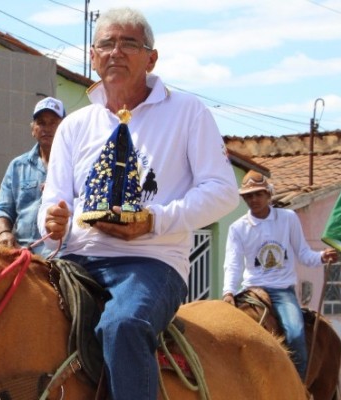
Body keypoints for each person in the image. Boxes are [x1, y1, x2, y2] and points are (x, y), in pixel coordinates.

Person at [38, 7, 239, 399]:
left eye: (128, 43)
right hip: (75, 259)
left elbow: (222, 191)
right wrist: (53, 222)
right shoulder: (74, 127)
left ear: (151, 57)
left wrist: (155, 220)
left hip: (152, 261)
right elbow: (54, 200)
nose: (116, 52)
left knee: (123, 325)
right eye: (106, 44)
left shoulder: (187, 112)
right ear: (93, 57)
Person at [222, 170, 339, 382]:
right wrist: (228, 292)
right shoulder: (238, 228)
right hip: (252, 291)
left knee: (295, 334)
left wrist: (322, 257)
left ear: (269, 194)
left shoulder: (288, 219)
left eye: (258, 194)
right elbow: (233, 263)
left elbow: (303, 253)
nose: (253, 199)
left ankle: (297, 386)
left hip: (282, 291)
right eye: (248, 196)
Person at [0, 97, 65, 257]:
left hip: (63, 255)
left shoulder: (75, 165)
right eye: (41, 122)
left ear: (65, 128)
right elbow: (2, 210)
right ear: (33, 129)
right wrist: (3, 233)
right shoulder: (17, 166)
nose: (47, 128)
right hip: (22, 252)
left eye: (53, 122)